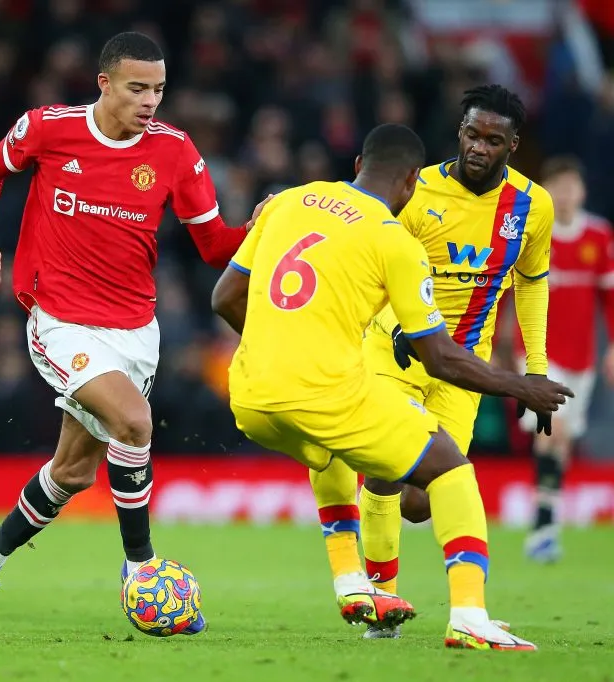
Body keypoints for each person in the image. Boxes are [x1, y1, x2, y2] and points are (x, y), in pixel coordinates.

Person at [212, 123, 571, 650]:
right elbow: (442, 357)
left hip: (249, 396)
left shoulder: (290, 200)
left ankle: (352, 582)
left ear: (357, 163)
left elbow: (224, 297)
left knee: (331, 451)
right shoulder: (393, 239)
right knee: (447, 466)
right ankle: (470, 615)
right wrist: (521, 386)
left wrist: (277, 346)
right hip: (325, 392)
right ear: (410, 184)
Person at [0, 31, 265, 635]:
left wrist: (261, 225)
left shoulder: (174, 152)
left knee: (71, 473)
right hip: (61, 319)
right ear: (105, 83)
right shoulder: (49, 128)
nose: (151, 101)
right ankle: (141, 569)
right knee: (135, 423)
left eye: (159, 90)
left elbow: (212, 246)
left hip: (134, 331)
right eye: (137, 88)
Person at [310, 85, 555, 638]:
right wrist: (399, 325)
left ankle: (408, 593)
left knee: (422, 500)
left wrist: (534, 368)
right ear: (459, 132)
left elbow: (532, 283)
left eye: (493, 139)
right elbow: (372, 257)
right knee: (382, 469)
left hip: (464, 367)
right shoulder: (416, 192)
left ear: (512, 145)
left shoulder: (533, 207)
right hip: (393, 351)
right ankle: (383, 602)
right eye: (471, 134)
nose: (478, 147)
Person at [512, 156, 614, 562]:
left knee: (564, 438)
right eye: (558, 187)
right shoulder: (533, 233)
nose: (566, 194)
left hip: (582, 357)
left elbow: (609, 299)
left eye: (572, 186)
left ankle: (547, 520)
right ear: (547, 191)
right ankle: (542, 524)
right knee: (549, 432)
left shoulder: (599, 236)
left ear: (582, 191)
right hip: (538, 353)